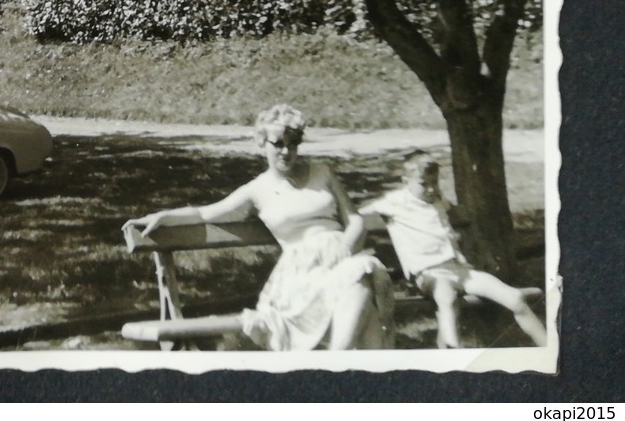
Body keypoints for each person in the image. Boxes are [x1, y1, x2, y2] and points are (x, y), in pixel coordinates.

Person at [126, 103, 393, 350]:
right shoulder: (257, 189)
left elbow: (355, 219)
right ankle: (344, 370)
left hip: (341, 257)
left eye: (293, 143)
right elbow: (206, 213)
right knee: (362, 290)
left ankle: (337, 368)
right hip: (302, 274)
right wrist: (163, 217)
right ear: (261, 143)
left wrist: (344, 249)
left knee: (358, 275)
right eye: (278, 144)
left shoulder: (322, 171)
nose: (286, 152)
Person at [360, 151, 546, 348]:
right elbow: (356, 216)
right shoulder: (394, 203)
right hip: (428, 274)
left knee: (515, 298)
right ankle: (453, 357)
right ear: (405, 180)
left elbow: (454, 215)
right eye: (423, 184)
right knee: (447, 299)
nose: (431, 189)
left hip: (461, 271)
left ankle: (549, 350)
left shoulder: (438, 200)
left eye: (435, 182)